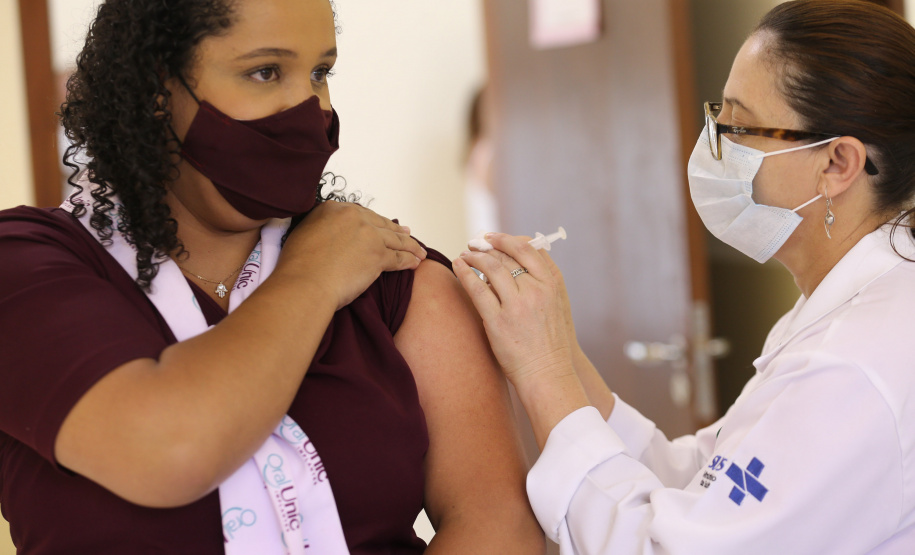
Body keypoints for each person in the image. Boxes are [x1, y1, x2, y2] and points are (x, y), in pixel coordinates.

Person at [0, 0, 546, 553]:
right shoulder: (27, 263)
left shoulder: (393, 277)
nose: (308, 107)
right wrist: (312, 276)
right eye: (264, 71)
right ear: (155, 92)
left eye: (320, 72)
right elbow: (168, 449)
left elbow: (498, 520)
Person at [453, 0, 915, 552]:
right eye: (718, 117)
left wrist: (542, 370)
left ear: (837, 163)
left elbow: (666, 546)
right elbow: (703, 476)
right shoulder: (844, 311)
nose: (712, 147)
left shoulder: (852, 366)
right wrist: (557, 346)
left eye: (740, 126)